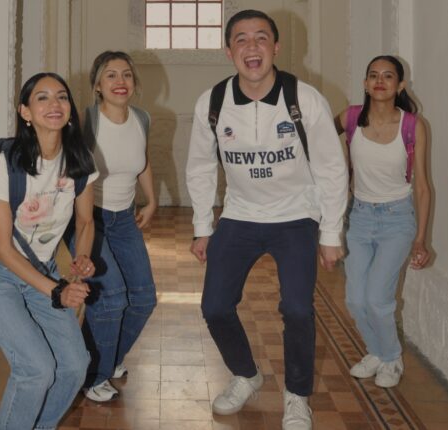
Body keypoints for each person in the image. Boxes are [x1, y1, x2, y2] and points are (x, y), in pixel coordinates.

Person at [186, 10, 348, 430]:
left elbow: (332, 168)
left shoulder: (304, 99)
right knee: (214, 306)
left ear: (276, 47)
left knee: (297, 309)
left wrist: (331, 232)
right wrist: (203, 227)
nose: (252, 46)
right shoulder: (213, 102)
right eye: (241, 39)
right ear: (229, 51)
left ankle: (297, 396)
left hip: (296, 216)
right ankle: (246, 375)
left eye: (261, 37)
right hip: (240, 215)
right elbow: (201, 167)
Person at [0, 72, 98, 430]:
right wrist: (57, 291)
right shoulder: (5, 163)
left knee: (75, 366)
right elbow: (4, 248)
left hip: (43, 270)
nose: (54, 104)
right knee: (36, 370)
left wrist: (81, 260)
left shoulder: (80, 160)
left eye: (62, 97)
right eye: (42, 97)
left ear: (70, 109)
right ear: (25, 112)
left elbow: (86, 222)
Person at [336, 55, 430, 388]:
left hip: (397, 219)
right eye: (373, 75)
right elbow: (317, 139)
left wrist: (420, 239)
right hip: (359, 218)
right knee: (355, 299)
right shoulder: (349, 118)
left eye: (388, 76)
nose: (380, 81)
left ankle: (392, 358)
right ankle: (376, 352)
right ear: (365, 83)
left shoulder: (412, 125)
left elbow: (422, 187)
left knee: (377, 298)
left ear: (400, 85)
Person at [77, 51, 158, 402]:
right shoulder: (87, 121)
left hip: (124, 218)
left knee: (144, 298)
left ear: (134, 83)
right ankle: (94, 375)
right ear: (97, 85)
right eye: (110, 75)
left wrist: (151, 200)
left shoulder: (141, 118)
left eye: (126, 74)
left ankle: (109, 359)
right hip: (88, 219)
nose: (120, 81)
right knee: (111, 298)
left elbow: (143, 161)